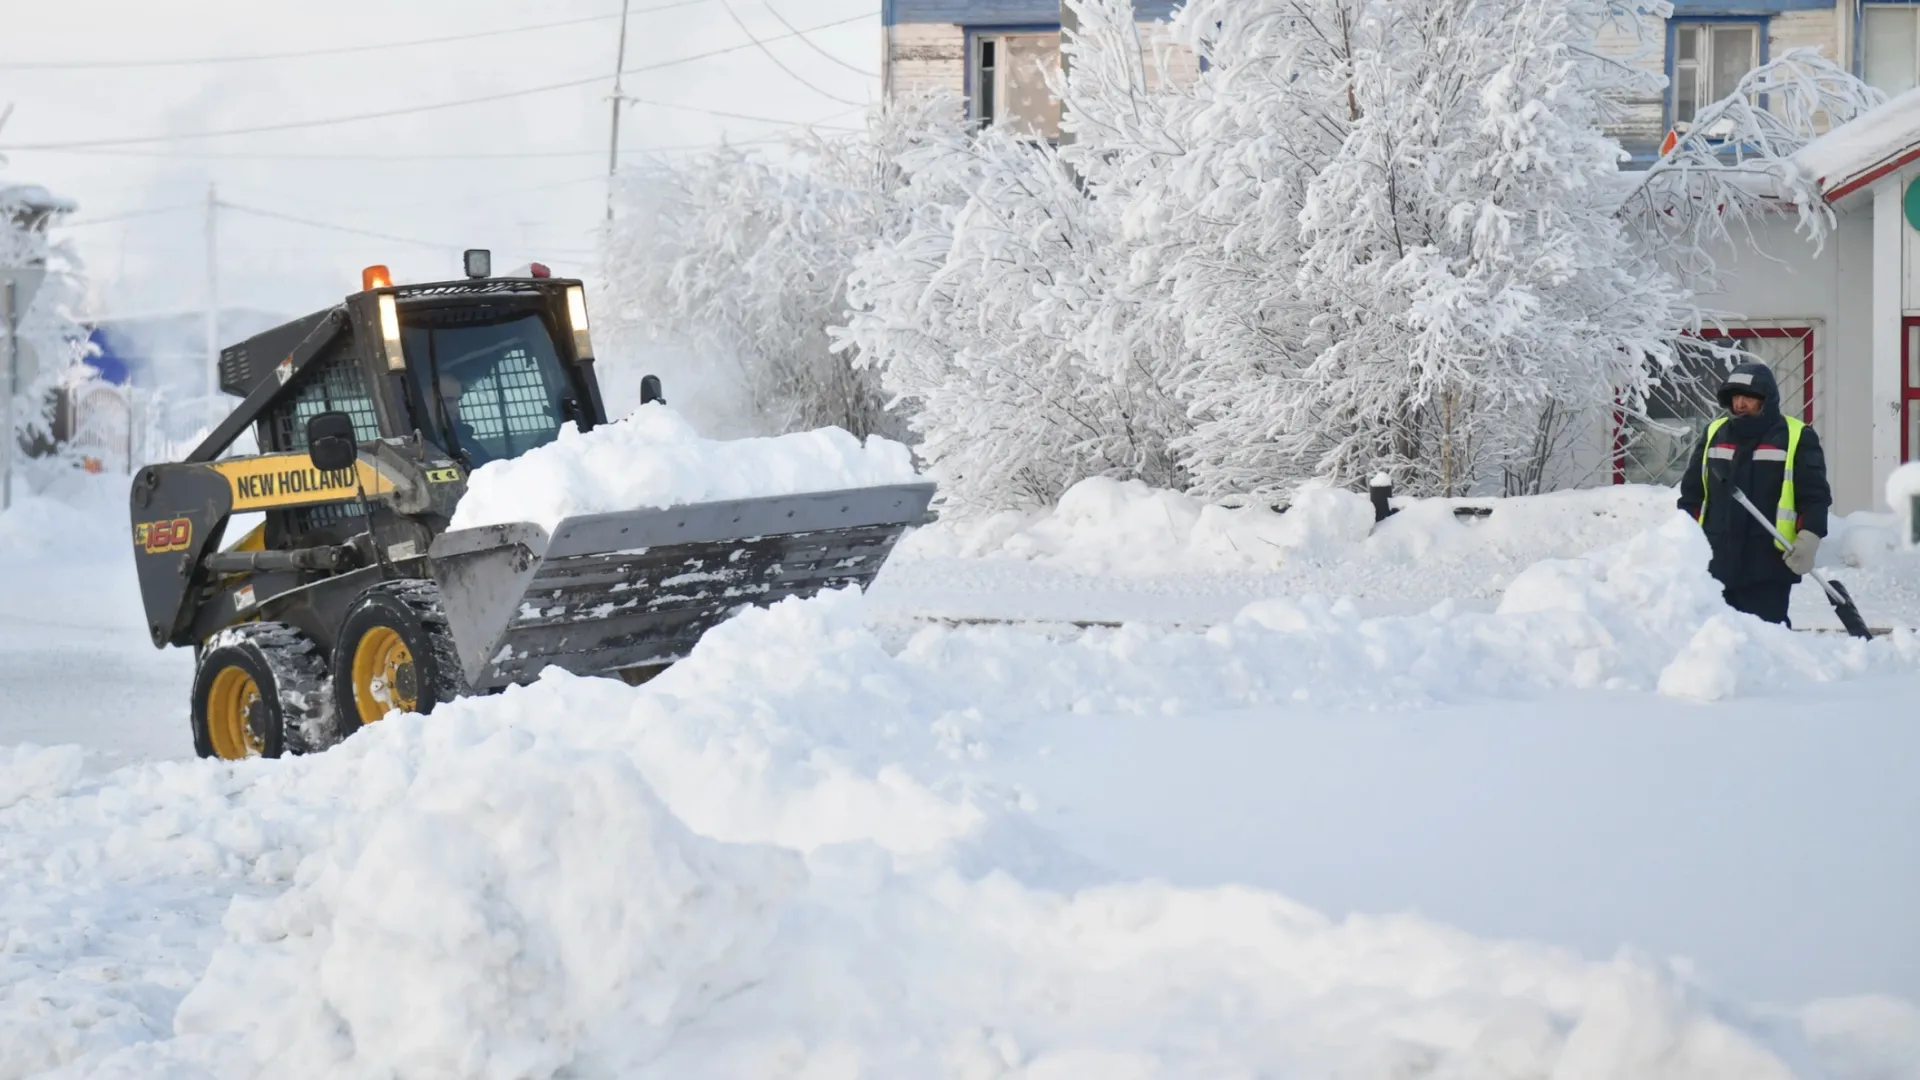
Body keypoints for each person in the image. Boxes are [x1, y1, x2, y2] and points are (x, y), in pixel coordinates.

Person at [1676, 361, 1831, 627]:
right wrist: (1682, 539)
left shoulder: (1795, 437)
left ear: (1766, 400)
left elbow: (1814, 497)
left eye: (1749, 397)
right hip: (1715, 563)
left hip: (1767, 565)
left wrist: (1810, 536)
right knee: (1713, 645)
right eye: (1736, 397)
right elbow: (1692, 495)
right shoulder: (1714, 433)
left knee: (1767, 644)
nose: (1741, 404)